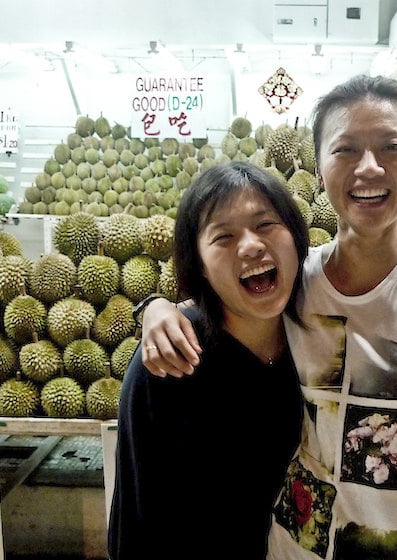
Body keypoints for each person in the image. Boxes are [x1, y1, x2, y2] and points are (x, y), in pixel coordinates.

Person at [140, 75, 397, 559]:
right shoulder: (291, 282)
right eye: (345, 150)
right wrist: (154, 308)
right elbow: (214, 308)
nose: (369, 168)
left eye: (392, 147)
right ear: (318, 163)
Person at [107, 161, 310, 559]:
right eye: (223, 236)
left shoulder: (316, 337)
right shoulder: (170, 359)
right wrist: (155, 306)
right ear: (198, 263)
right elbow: (136, 513)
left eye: (266, 224)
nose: (251, 245)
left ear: (297, 237)